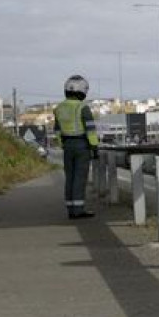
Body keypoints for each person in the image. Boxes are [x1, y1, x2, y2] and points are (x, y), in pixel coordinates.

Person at [53, 74, 100, 219]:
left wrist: (63, 144)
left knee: (70, 177)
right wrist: (94, 147)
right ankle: (79, 210)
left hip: (67, 146)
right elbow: (91, 131)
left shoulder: (59, 108)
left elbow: (57, 131)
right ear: (82, 91)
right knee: (80, 178)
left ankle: (70, 209)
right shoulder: (83, 108)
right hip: (82, 145)